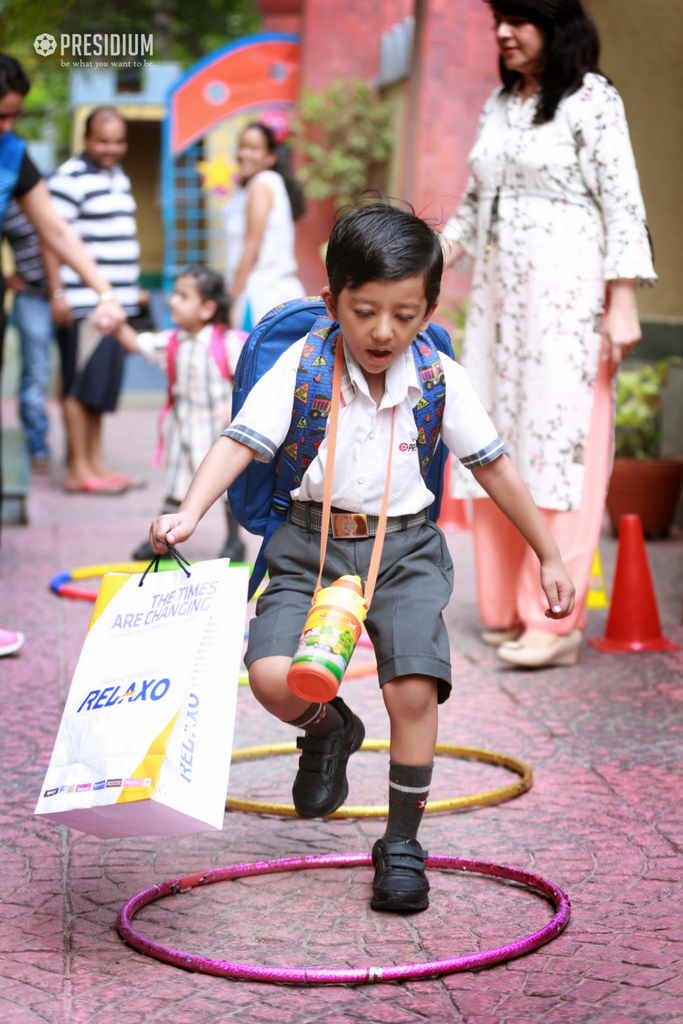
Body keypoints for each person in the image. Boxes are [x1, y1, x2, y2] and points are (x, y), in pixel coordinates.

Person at [148, 202, 575, 913]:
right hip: (308, 543)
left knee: (411, 689)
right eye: (365, 309)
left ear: (430, 307)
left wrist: (550, 556)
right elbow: (240, 441)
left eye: (405, 314)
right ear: (332, 301)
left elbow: (494, 466)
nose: (384, 331)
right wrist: (190, 512)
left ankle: (402, 843)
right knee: (272, 680)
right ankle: (331, 729)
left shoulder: (437, 377)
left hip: (404, 546)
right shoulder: (304, 362)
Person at [441, 0, 656, 668]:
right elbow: (471, 209)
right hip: (498, 303)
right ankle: (504, 608)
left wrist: (621, 302)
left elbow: (621, 201)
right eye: (498, 19)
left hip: (566, 297)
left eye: (520, 18)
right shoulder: (499, 104)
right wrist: (409, 264)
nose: (503, 32)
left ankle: (553, 619)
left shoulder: (593, 100)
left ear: (558, 25)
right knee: (494, 441)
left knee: (558, 446)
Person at [0, 54, 125, 650]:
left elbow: (54, 229)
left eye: (13, 117)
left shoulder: (12, 153)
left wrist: (101, 287)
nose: (6, 127)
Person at [113, 266, 246, 562]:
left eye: (183, 296)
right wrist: (116, 320)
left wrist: (237, 409)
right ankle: (161, 540)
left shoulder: (228, 342)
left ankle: (234, 541)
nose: (172, 301)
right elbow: (135, 343)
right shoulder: (172, 341)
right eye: (174, 294)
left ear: (207, 308)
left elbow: (253, 379)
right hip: (184, 431)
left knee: (225, 489)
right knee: (175, 485)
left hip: (217, 433)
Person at [45, 106, 142, 494]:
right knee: (78, 385)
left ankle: (96, 464)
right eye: (103, 140)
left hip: (114, 305)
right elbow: (51, 237)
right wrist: (58, 291)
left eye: (119, 141)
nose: (111, 148)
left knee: (99, 389)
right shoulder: (69, 177)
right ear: (85, 139)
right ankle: (79, 470)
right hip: (84, 301)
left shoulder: (117, 175)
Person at [223, 122, 305, 331]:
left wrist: (229, 298)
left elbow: (252, 247)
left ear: (270, 156)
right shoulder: (262, 185)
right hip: (271, 294)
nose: (243, 154)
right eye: (241, 146)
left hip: (259, 296)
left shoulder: (261, 185)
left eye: (253, 148)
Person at [3, 198, 55, 471]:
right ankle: (38, 447)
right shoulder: (8, 205)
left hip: (72, 297)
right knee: (36, 373)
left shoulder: (53, 198)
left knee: (75, 376)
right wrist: (6, 278)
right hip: (32, 297)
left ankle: (80, 452)